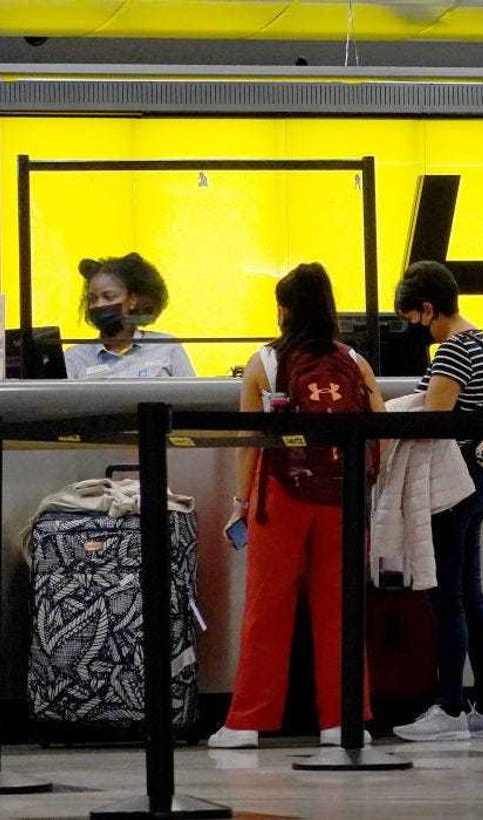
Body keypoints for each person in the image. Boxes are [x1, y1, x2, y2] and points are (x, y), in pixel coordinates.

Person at [208, 262, 386, 750]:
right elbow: (381, 432)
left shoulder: (263, 363)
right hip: (343, 497)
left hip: (280, 495)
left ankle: (246, 723)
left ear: (284, 310)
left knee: (268, 607)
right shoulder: (355, 361)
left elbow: (251, 440)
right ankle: (344, 720)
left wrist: (242, 501)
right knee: (340, 608)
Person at [391, 260, 483, 742]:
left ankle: (450, 708)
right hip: (477, 482)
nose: (414, 329)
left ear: (427, 307)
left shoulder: (454, 352)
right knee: (471, 596)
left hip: (452, 487)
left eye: (413, 318)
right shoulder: (480, 341)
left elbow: (435, 419)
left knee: (448, 601)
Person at [64, 252, 195, 378]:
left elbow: (194, 398)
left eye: (108, 297)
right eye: (93, 299)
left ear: (132, 301)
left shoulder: (167, 347)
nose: (99, 305)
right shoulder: (74, 358)